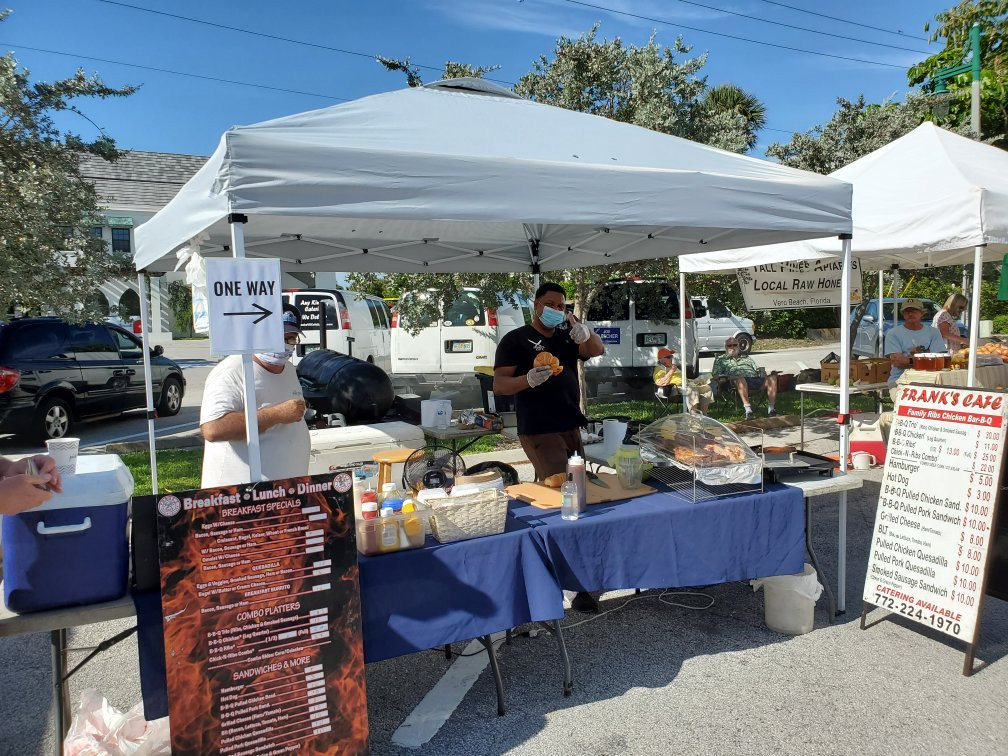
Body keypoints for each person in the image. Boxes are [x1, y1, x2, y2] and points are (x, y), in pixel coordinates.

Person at [494, 282, 604, 612]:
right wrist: (527, 380)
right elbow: (500, 385)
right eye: (550, 303)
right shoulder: (515, 340)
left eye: (562, 304)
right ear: (536, 304)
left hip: (569, 422)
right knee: (563, 494)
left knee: (577, 493)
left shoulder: (565, 338)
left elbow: (595, 351)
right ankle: (568, 583)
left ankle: (578, 571)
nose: (557, 308)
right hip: (539, 428)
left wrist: (583, 331)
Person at [200, 304, 310, 487]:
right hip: (241, 498)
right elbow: (213, 429)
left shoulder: (289, 369)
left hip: (284, 495)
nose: (284, 344)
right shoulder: (231, 371)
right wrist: (277, 414)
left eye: (290, 338)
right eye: (277, 336)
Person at [711, 338, 777, 420]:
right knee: (741, 379)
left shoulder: (746, 358)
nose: (732, 347)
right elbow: (715, 375)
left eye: (735, 345)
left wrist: (763, 374)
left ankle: (771, 409)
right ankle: (748, 411)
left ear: (738, 346)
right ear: (726, 347)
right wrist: (728, 377)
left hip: (754, 380)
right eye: (729, 345)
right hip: (734, 383)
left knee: (772, 378)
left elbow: (757, 369)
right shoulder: (721, 359)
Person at [885, 299, 946, 385]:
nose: (910, 314)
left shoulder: (933, 332)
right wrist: (927, 357)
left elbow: (940, 360)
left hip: (929, 380)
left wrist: (908, 360)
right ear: (903, 314)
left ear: (922, 313)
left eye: (914, 310)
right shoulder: (893, 333)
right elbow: (898, 363)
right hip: (900, 381)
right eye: (907, 311)